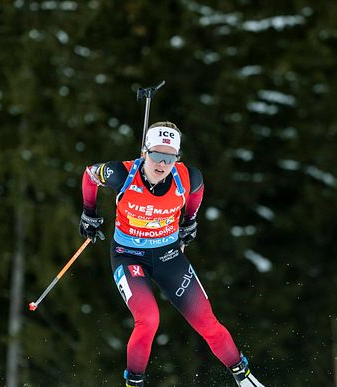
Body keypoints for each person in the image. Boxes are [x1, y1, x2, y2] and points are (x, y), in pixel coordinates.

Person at [79, 121, 265, 387]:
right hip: (129, 255)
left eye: (169, 158)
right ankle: (134, 384)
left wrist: (189, 220)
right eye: (156, 154)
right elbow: (90, 175)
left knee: (207, 323)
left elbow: (197, 191)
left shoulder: (188, 177)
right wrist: (89, 212)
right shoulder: (121, 173)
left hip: (168, 255)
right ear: (145, 152)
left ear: (176, 158)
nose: (161, 164)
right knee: (148, 319)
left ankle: (244, 377)